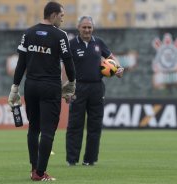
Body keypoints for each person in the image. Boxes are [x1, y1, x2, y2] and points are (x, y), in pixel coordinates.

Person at [8, 1, 76, 181]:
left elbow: (21, 63)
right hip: (50, 87)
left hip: (30, 86)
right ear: (53, 15)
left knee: (33, 128)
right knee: (47, 131)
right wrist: (71, 84)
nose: (62, 19)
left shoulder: (28, 33)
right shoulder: (60, 35)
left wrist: (15, 87)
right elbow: (68, 62)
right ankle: (40, 173)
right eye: (61, 15)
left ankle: (34, 170)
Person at [66, 16, 124, 166]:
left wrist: (118, 68)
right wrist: (67, 88)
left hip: (97, 88)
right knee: (75, 125)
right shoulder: (71, 44)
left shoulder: (99, 43)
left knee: (95, 125)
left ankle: (90, 160)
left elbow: (111, 58)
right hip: (78, 88)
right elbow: (64, 68)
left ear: (93, 28)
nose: (87, 30)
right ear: (78, 28)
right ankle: (72, 160)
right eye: (84, 27)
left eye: (89, 27)